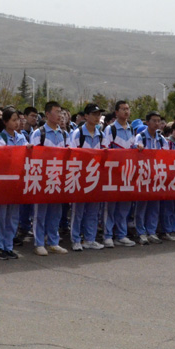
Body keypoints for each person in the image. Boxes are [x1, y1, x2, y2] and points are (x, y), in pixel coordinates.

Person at [29, 101, 70, 256]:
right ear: (47, 114)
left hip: (58, 178)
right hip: (42, 178)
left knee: (56, 211)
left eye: (61, 112)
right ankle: (39, 242)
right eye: (56, 111)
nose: (60, 115)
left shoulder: (64, 134)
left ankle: (53, 241)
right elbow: (32, 156)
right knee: (40, 212)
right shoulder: (39, 133)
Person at [68, 103, 105, 251]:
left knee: (93, 210)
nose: (97, 117)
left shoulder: (100, 134)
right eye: (94, 114)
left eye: (98, 114)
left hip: (95, 176)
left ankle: (90, 239)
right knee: (78, 210)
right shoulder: (78, 134)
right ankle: (75, 239)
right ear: (86, 116)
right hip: (80, 176)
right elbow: (72, 155)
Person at [101, 100, 136, 247]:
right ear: (116, 112)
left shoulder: (132, 130)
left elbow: (133, 148)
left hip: (127, 173)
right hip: (113, 174)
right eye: (123, 109)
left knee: (124, 207)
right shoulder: (110, 130)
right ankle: (108, 235)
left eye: (128, 109)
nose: (126, 112)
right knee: (110, 206)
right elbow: (105, 149)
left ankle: (121, 235)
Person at [0, 107, 26, 259]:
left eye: (18, 119)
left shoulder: (21, 138)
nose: (17, 122)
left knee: (13, 216)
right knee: (1, 216)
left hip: (17, 182)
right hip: (3, 182)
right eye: (13, 120)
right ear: (5, 122)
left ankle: (8, 245)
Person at [132, 112, 167, 245]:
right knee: (142, 206)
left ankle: (152, 232)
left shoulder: (162, 139)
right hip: (143, 175)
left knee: (154, 206)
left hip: (157, 176)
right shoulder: (140, 137)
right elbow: (135, 152)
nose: (157, 123)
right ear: (147, 122)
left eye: (159, 121)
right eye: (154, 120)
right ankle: (141, 232)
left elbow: (166, 156)